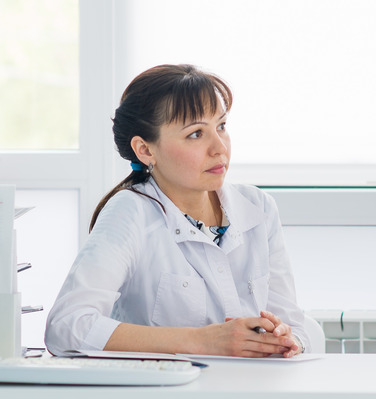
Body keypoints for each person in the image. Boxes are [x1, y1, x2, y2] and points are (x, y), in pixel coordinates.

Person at [45, 64, 309, 358]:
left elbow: (296, 324)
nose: (219, 147)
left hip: (248, 394)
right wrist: (202, 341)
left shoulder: (258, 207)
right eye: (196, 134)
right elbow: (67, 326)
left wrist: (287, 339)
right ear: (145, 150)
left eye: (221, 126)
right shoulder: (130, 211)